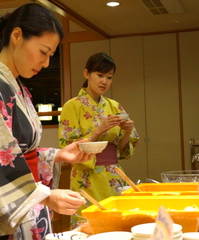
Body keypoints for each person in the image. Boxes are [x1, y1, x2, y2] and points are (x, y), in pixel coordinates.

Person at [0, 3, 94, 240]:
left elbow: (15, 152)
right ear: (17, 36)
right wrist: (46, 197)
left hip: (30, 203)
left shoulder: (17, 88)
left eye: (50, 55)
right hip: (16, 212)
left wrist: (57, 155)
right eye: (43, 52)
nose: (46, 63)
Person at [58, 52, 139, 228]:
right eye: (100, 75)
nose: (104, 81)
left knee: (117, 225)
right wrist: (99, 130)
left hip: (113, 175)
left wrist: (127, 132)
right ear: (87, 74)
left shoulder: (114, 106)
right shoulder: (72, 106)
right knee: (88, 226)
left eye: (109, 77)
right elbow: (66, 147)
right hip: (86, 176)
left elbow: (122, 150)